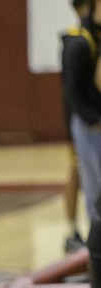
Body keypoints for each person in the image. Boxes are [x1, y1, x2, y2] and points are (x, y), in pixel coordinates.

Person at [67, 0, 101, 245]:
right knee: (92, 190)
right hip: (90, 125)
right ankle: (88, 243)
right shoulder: (80, 41)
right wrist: (93, 118)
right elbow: (71, 94)